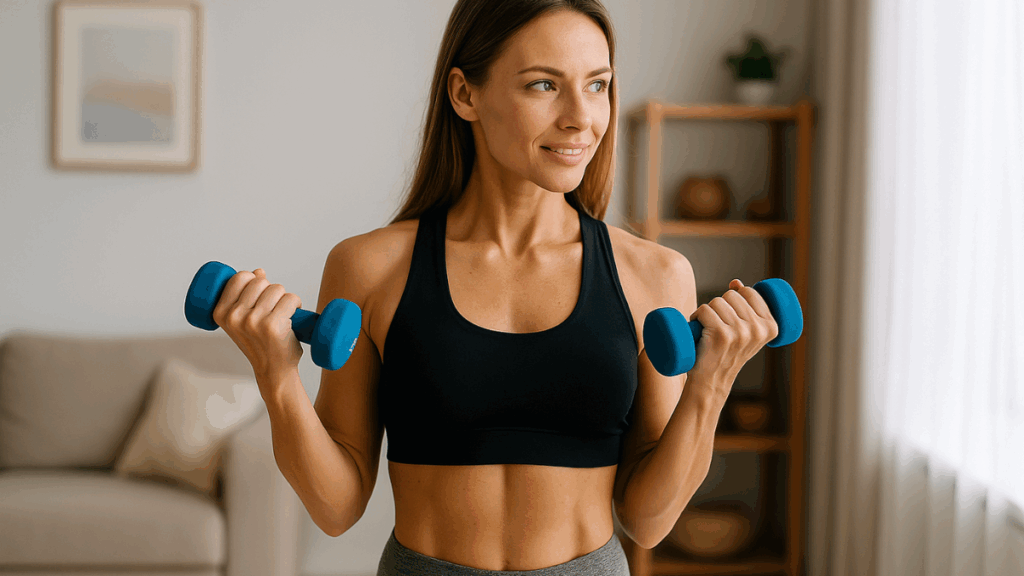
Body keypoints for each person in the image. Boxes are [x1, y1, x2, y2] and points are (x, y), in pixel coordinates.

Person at [211, 0, 780, 574]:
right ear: (465, 94)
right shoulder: (370, 267)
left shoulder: (653, 276)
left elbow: (649, 521)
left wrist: (713, 382)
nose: (581, 118)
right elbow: (337, 507)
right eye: (543, 85)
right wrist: (277, 377)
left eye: (598, 85)